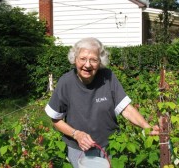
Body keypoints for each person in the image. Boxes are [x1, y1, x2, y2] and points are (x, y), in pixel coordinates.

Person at [45, 37, 159, 167]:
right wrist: (76, 134)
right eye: (82, 59)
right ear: (75, 59)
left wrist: (146, 126)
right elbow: (55, 119)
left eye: (93, 60)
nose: (87, 65)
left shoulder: (108, 77)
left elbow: (126, 109)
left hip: (110, 146)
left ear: (100, 62)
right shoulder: (66, 82)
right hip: (79, 150)